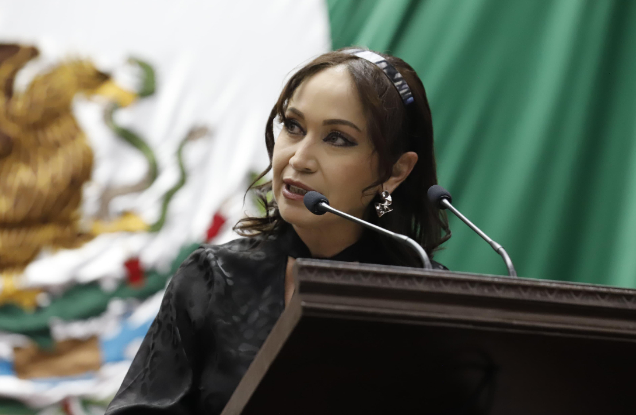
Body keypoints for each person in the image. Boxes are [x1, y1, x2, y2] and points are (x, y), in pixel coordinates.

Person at [105, 48, 450, 415]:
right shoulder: (212, 278)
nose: (298, 159)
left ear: (395, 171)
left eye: (337, 138)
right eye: (293, 126)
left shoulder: (431, 302)